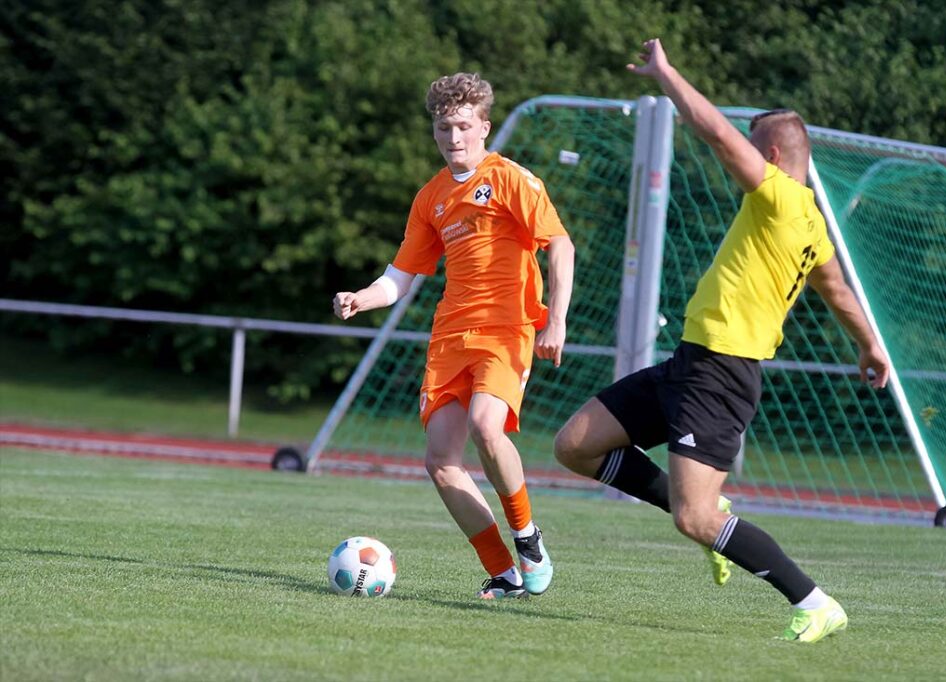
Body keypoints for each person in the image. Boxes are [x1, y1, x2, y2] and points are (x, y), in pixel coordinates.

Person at [554, 39, 890, 642]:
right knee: (575, 445)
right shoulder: (810, 221)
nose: (740, 148)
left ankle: (815, 602)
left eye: (750, 140)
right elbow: (838, 292)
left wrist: (666, 74)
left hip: (723, 373)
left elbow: (713, 134)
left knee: (695, 517)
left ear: (771, 152)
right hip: (692, 361)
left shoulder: (782, 199)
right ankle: (716, 519)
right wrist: (870, 346)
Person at [334, 72, 575, 600]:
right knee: (440, 463)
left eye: (464, 126)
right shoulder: (431, 197)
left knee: (488, 427)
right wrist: (361, 297)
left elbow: (560, 246)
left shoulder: (511, 179)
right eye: (445, 127)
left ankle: (528, 538)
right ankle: (505, 572)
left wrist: (555, 320)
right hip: (450, 337)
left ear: (484, 127)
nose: (454, 137)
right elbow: (399, 278)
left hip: (506, 330)